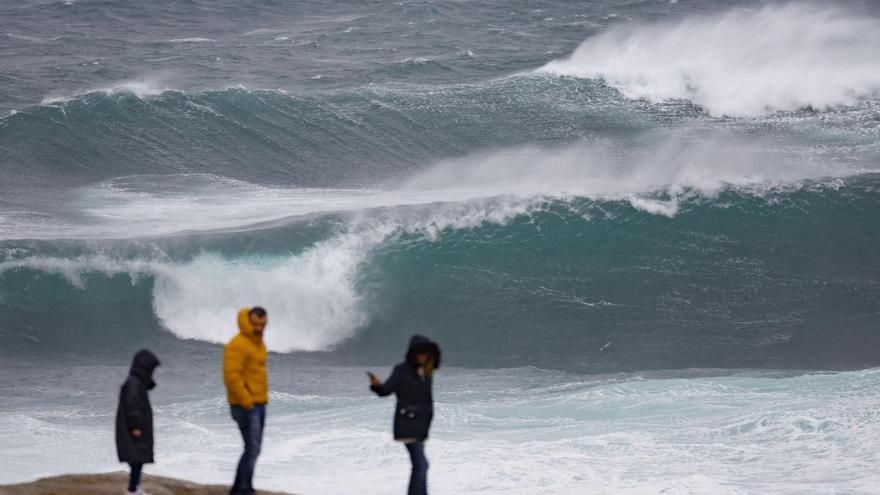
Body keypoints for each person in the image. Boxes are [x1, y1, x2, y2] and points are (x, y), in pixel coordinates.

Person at [368, 335, 442, 495]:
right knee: (421, 464)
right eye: (420, 353)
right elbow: (386, 390)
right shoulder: (402, 370)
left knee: (421, 464)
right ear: (413, 353)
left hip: (420, 426)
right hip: (407, 424)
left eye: (426, 353)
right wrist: (376, 386)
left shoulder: (425, 372)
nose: (423, 356)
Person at [224, 307, 269, 495]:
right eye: (256, 324)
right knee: (252, 449)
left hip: (258, 403)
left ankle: (243, 487)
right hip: (246, 405)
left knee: (252, 449)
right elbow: (231, 377)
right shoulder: (238, 344)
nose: (259, 328)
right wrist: (247, 401)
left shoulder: (257, 343)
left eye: (262, 324)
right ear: (248, 321)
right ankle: (241, 490)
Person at [116, 349, 161, 495]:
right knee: (136, 458)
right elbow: (131, 406)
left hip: (137, 426)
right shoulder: (133, 384)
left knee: (138, 459)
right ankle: (133, 489)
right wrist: (135, 426)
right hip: (133, 428)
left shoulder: (137, 382)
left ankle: (134, 487)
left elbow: (146, 385)